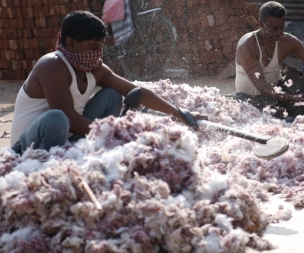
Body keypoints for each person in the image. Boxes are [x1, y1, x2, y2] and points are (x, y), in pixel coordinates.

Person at [10, 10, 199, 154]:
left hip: (69, 138)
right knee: (57, 118)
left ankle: (90, 149)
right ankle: (52, 162)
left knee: (112, 95)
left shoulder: (95, 69)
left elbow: (136, 91)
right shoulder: (52, 65)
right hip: (31, 146)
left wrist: (178, 113)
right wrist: (115, 133)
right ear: (71, 43)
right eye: (93, 47)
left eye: (100, 47)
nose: (98, 53)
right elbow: (69, 118)